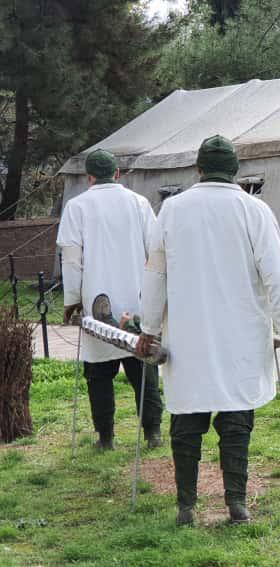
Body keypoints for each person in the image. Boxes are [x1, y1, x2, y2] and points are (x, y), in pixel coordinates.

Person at [136, 135, 280, 526]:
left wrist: (149, 327)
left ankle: (186, 506)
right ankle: (236, 503)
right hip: (241, 334)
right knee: (236, 419)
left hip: (188, 334)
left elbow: (155, 273)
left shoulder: (172, 209)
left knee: (187, 420)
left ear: (198, 168)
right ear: (235, 169)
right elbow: (276, 275)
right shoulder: (255, 210)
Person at [56, 149, 164, 451]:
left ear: (89, 177)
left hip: (95, 301)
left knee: (99, 375)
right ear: (117, 173)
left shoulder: (77, 206)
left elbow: (72, 260)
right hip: (137, 299)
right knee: (143, 370)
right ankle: (153, 433)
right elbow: (156, 253)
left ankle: (106, 438)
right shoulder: (138, 203)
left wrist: (71, 300)